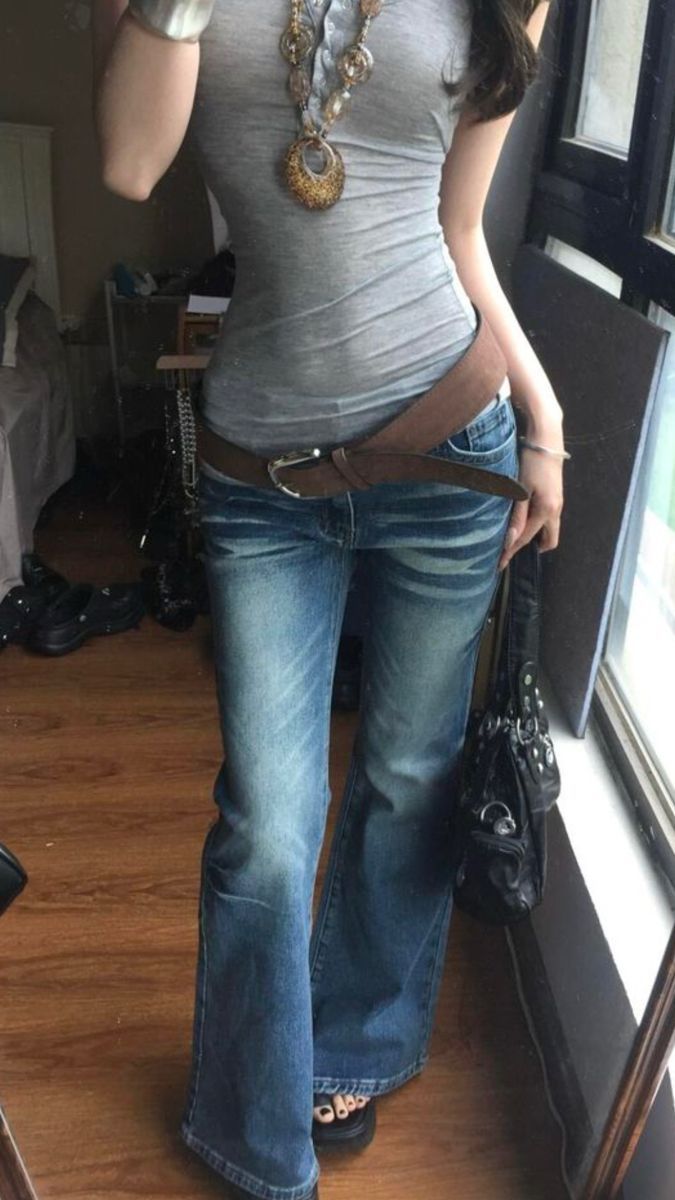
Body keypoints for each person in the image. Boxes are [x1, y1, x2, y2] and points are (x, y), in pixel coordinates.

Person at [92, 2, 565, 1198]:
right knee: (267, 817)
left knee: (408, 779)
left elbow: (460, 231)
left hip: (451, 444)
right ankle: (255, 1137)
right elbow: (131, 162)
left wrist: (545, 416)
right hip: (263, 479)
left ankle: (352, 1048)